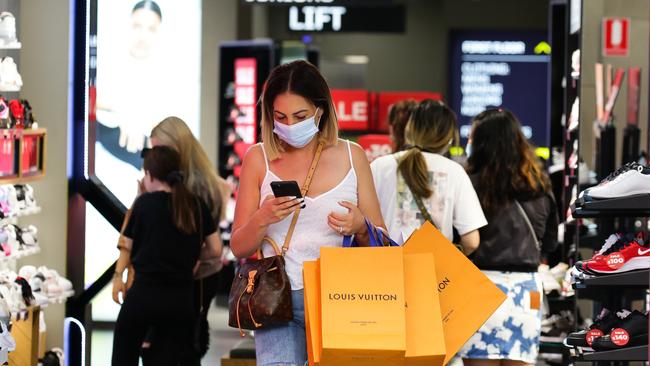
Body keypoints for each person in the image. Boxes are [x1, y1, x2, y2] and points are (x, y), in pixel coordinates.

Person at [230, 60, 386, 366]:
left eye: (300, 116)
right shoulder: (258, 158)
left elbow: (382, 241)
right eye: (280, 117)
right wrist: (263, 217)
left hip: (341, 300)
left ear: (321, 109)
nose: (290, 125)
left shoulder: (352, 156)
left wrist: (360, 226)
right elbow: (239, 246)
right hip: (278, 299)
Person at [112, 116, 230, 361]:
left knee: (159, 350)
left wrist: (120, 275)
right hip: (182, 288)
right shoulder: (200, 194)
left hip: (186, 283)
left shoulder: (197, 191)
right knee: (177, 352)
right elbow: (214, 247)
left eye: (160, 150)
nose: (156, 156)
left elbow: (130, 238)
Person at [459, 108, 559, 366]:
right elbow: (550, 243)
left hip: (478, 289)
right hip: (525, 293)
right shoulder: (539, 184)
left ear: (480, 142)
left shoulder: (469, 182)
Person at [371, 99, 486, 249]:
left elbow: (365, 226)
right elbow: (471, 242)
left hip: (388, 267)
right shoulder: (455, 172)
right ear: (448, 137)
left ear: (410, 128)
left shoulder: (380, 166)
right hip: (433, 269)